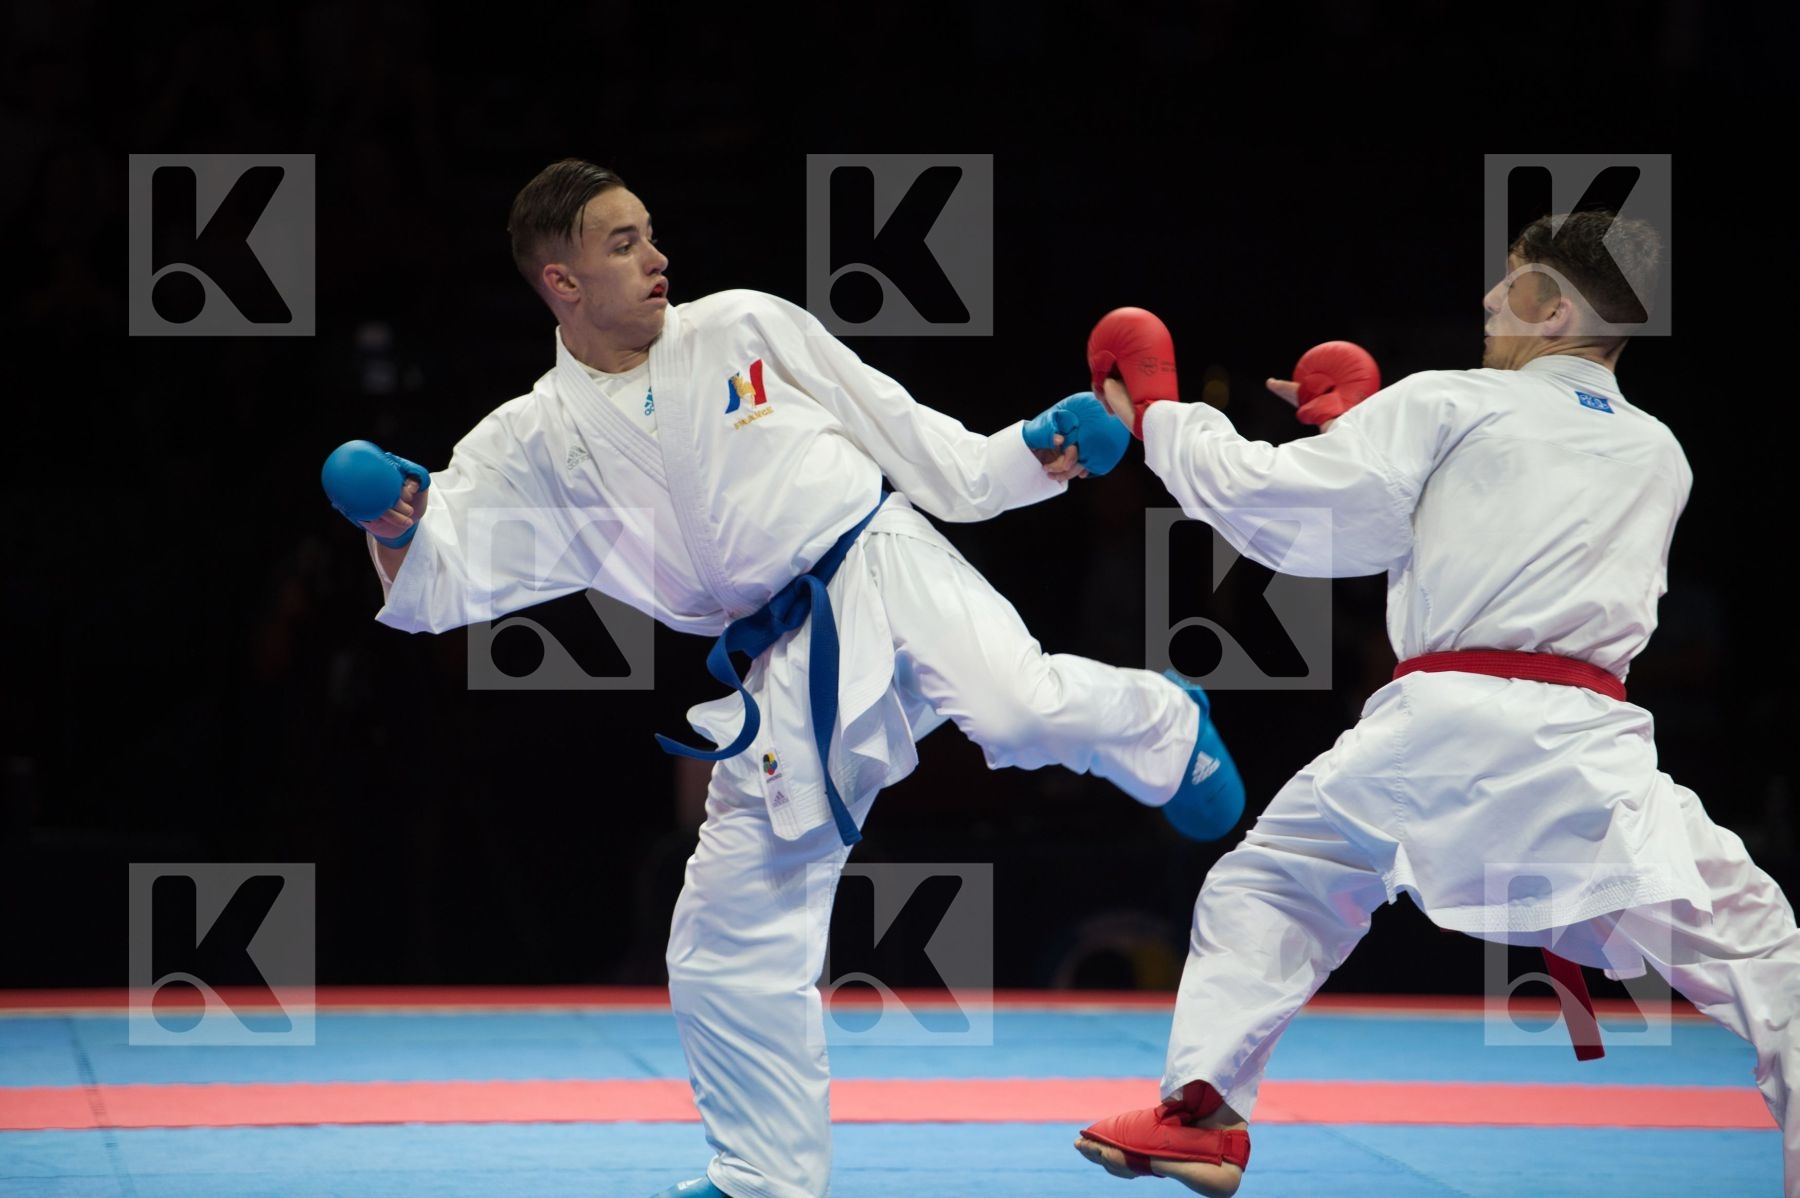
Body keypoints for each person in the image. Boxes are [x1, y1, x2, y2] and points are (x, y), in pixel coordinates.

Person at [325, 158, 1247, 1198]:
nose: (658, 257)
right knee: (727, 931)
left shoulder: (744, 326)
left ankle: (1169, 725)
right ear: (562, 281)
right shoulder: (535, 438)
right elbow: (441, 565)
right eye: (624, 243)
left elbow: (925, 448)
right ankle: (763, 1174)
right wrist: (394, 522)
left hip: (878, 560)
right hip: (782, 664)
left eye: (651, 232)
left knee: (1016, 709)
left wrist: (1034, 451)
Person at [1073, 210, 1799, 1196]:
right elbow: (1483, 514)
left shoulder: (1452, 399)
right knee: (1763, 948)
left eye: (1512, 281)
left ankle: (1200, 1110)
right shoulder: (1662, 453)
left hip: (1440, 729)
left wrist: (1162, 415)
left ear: (1553, 308)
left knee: (1276, 885)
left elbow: (1282, 508)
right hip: (1594, 755)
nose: (1492, 300)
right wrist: (1362, 433)